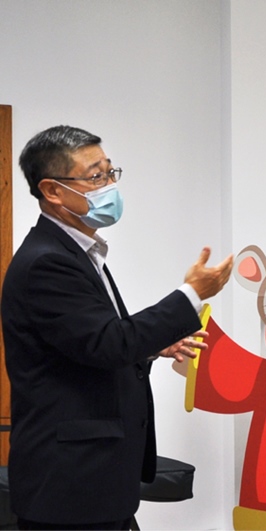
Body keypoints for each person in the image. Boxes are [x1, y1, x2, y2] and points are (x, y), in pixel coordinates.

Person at [1, 125, 234, 530]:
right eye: (95, 176)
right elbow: (110, 343)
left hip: (96, 482)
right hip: (71, 486)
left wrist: (151, 346)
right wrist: (191, 295)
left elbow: (89, 342)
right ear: (52, 191)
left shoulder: (78, 251)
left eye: (110, 172)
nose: (109, 185)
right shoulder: (47, 262)